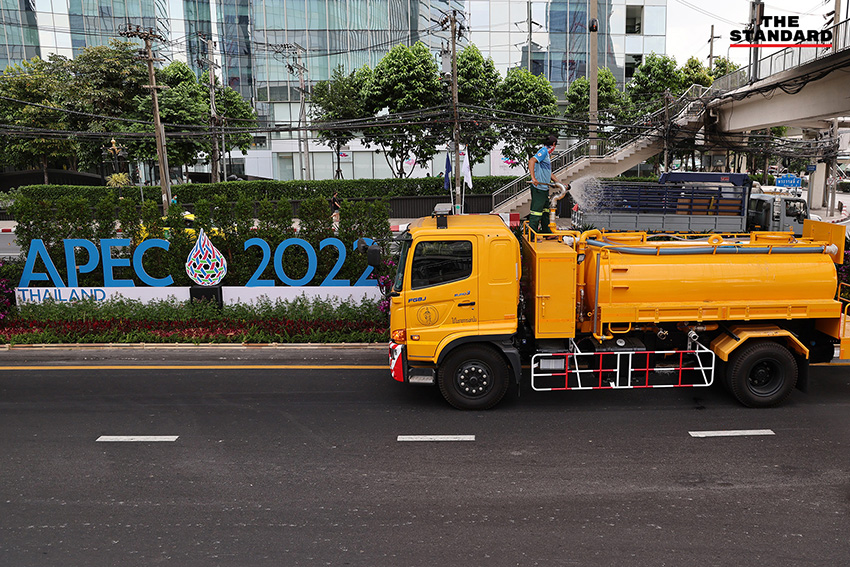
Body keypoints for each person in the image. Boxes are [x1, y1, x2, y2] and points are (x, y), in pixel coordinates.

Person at [528, 134, 563, 233]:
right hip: (538, 188)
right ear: (553, 144)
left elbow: (549, 173)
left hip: (544, 188)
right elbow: (531, 161)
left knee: (545, 212)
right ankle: (532, 235)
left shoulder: (547, 155)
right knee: (536, 212)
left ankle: (547, 232)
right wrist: (533, 178)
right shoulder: (543, 151)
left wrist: (558, 182)